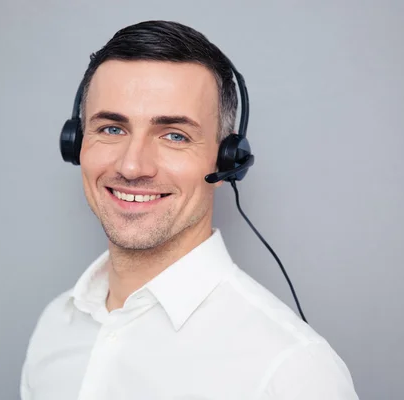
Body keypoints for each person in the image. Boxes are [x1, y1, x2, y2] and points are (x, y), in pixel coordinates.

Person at [20, 20, 359, 400]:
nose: (132, 167)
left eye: (174, 136)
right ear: (76, 144)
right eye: (112, 129)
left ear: (228, 160)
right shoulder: (54, 326)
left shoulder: (291, 371)